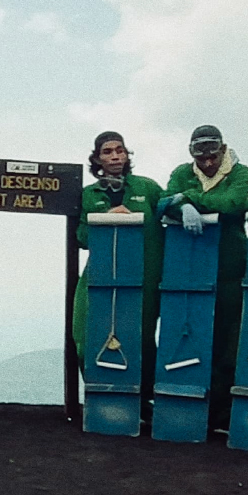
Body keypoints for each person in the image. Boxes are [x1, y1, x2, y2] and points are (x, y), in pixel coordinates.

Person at [160, 124, 248, 432]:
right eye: (202, 158)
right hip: (187, 268)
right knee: (189, 335)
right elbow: (162, 202)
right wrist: (179, 204)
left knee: (228, 341)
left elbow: (235, 203)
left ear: (223, 150)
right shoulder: (182, 172)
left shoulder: (240, 173)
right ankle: (188, 408)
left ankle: (222, 415)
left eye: (214, 156)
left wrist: (186, 200)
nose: (209, 163)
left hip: (229, 267)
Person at [71, 131, 163, 420]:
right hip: (101, 276)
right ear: (97, 159)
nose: (114, 156)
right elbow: (82, 236)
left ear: (127, 155)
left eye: (119, 150)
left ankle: (144, 401)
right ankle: (100, 391)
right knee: (84, 334)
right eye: (107, 152)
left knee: (143, 338)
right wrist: (108, 218)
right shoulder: (89, 194)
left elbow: (166, 217)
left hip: (145, 275)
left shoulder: (147, 188)